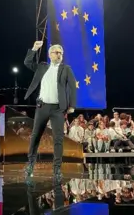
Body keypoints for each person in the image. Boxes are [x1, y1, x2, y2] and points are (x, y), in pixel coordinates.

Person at [23, 41, 77, 179]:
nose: (59, 55)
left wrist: (72, 105)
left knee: (58, 139)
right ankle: (30, 164)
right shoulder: (42, 67)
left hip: (58, 109)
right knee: (35, 136)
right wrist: (34, 48)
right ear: (49, 54)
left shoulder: (66, 69)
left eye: (61, 53)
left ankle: (57, 169)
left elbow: (72, 87)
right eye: (56, 52)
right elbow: (27, 63)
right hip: (42, 107)